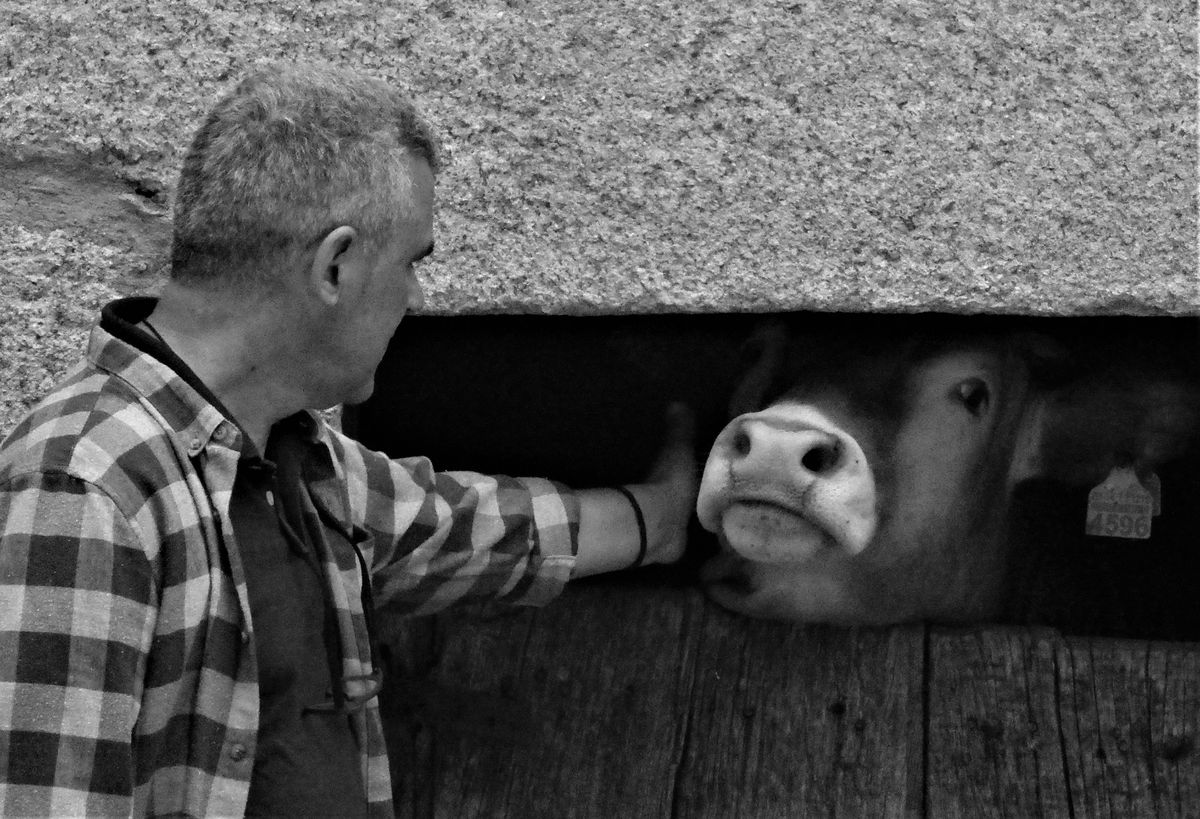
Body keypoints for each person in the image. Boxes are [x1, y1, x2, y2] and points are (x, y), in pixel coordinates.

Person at [0, 62, 696, 817]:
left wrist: (664, 515)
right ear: (335, 265)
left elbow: (471, 529)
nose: (417, 297)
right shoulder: (84, 487)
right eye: (412, 263)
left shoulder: (294, 462)